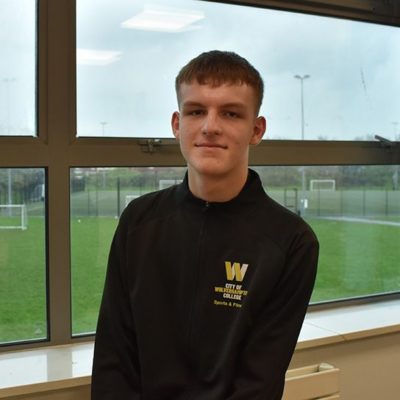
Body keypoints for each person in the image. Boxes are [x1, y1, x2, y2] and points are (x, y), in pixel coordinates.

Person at [91, 50, 319, 400]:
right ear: (177, 124)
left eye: (230, 113)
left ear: (256, 129)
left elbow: (260, 381)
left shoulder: (291, 242)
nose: (210, 126)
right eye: (196, 111)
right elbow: (113, 359)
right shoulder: (138, 221)